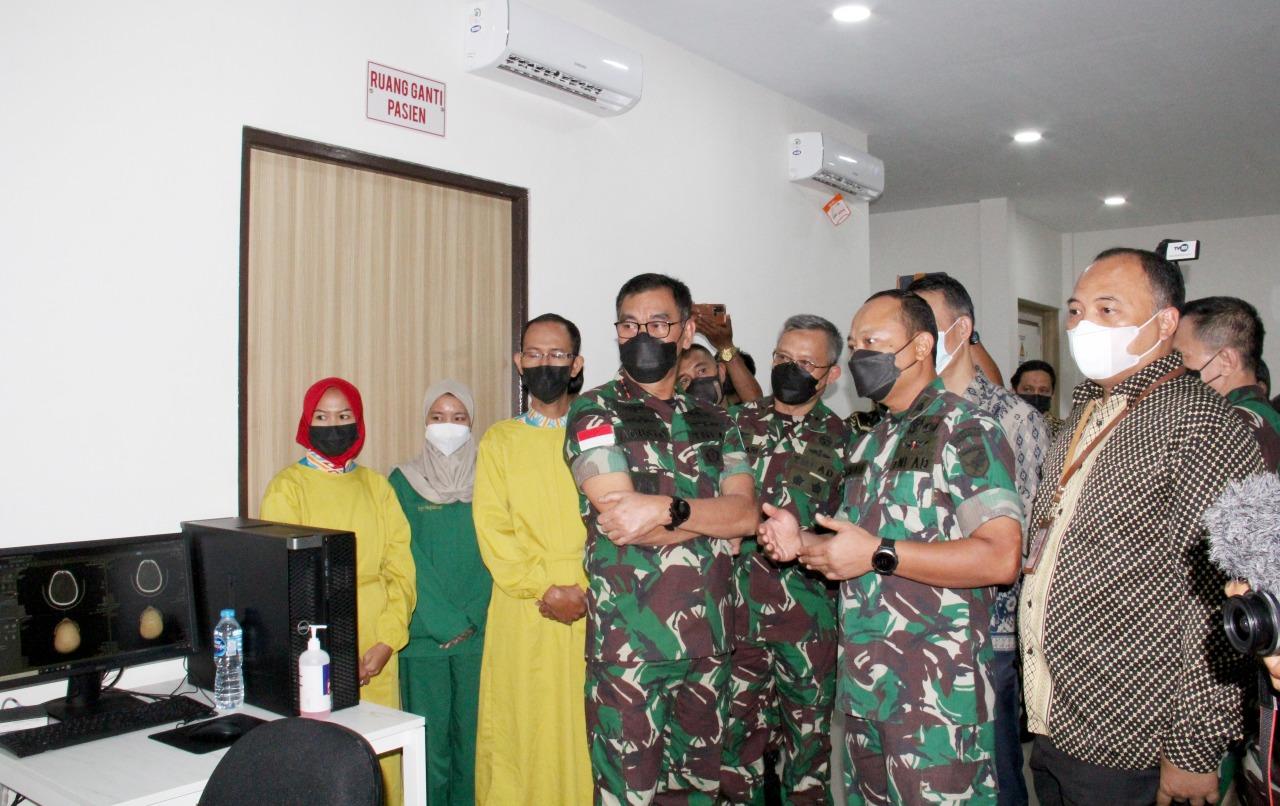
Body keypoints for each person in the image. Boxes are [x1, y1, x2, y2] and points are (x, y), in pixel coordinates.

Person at [759, 289, 1024, 805]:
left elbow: (1000, 556)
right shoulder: (871, 440)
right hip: (866, 691)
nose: (860, 355)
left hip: (935, 701)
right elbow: (856, 548)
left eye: (873, 342)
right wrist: (801, 542)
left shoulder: (965, 428)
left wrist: (879, 552)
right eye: (855, 344)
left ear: (921, 346)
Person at [1020, 248, 1263, 806]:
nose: (1083, 325)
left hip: (1132, 739)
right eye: (1076, 310)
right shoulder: (1085, 411)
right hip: (1058, 715)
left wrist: (1196, 747)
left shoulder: (1201, 422)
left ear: (1166, 321)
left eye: (1108, 310)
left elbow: (1224, 596)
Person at [564, 273, 758, 803]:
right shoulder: (594, 411)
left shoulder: (717, 420)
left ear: (686, 331)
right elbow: (622, 520)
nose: (642, 335)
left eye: (657, 324)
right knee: (628, 794)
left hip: (710, 644)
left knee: (697, 793)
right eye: (629, 325)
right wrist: (713, 521)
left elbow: (747, 516)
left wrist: (669, 509)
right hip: (630, 648)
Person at [909, 273, 1050, 806]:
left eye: (928, 323)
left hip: (986, 634)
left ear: (961, 329)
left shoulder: (1011, 417)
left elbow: (1026, 539)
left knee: (994, 775)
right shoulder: (908, 416)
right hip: (913, 627)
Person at [261, 376, 416, 806]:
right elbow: (287, 579)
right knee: (324, 768)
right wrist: (327, 654)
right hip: (317, 652)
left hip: (377, 648)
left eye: (344, 415)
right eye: (322, 417)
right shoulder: (287, 488)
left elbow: (401, 570)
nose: (333, 425)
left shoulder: (377, 487)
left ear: (359, 421)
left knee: (380, 765)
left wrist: (387, 640)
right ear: (306, 422)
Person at [719, 314, 849, 804]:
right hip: (736, 620)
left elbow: (852, 532)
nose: (789, 369)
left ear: (831, 374)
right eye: (782, 358)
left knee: (808, 762)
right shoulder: (733, 425)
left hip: (808, 625)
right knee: (734, 759)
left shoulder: (847, 440)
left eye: (805, 363)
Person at [473, 313, 592, 806]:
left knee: (584, 731)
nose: (546, 364)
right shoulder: (500, 440)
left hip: (593, 604)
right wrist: (544, 587)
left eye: (557, 355)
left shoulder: (599, 436)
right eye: (535, 354)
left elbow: (621, 520)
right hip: (524, 606)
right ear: (519, 363)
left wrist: (586, 592)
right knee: (521, 733)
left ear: (576, 364)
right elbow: (493, 529)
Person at [389, 380, 490, 806]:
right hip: (425, 636)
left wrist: (473, 620)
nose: (448, 425)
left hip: (479, 635)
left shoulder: (490, 478)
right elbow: (402, 554)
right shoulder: (402, 481)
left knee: (473, 746)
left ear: (472, 422)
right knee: (430, 750)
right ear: (424, 422)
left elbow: (498, 548)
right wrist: (445, 622)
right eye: (438, 417)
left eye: (458, 417)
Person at [1174, 296, 1280, 472]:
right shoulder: (1268, 417)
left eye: (1182, 357)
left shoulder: (1221, 429)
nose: (1174, 368)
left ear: (1226, 361)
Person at [693, 304, 764, 404]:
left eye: (728, 362)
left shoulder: (746, 412)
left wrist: (725, 346)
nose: (725, 369)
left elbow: (756, 404)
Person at [1012, 359, 1065, 440]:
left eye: (1043, 390)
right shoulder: (1002, 428)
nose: (1036, 395)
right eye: (1028, 389)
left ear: (1052, 394)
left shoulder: (1064, 431)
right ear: (1014, 391)